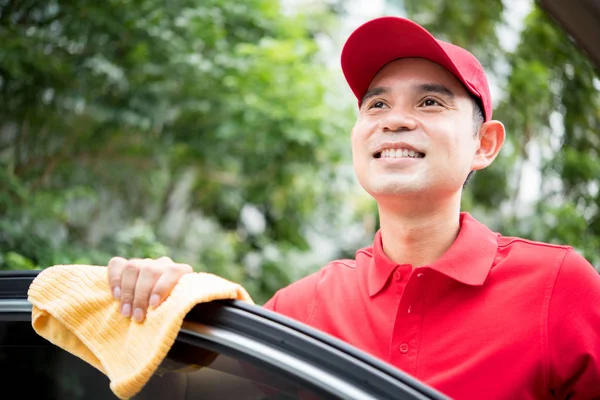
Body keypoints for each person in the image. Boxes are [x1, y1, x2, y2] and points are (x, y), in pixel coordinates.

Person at [105, 17, 600, 399]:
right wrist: (158, 304)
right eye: (376, 105)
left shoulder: (559, 288)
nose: (395, 121)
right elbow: (183, 386)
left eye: (429, 102)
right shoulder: (304, 305)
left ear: (484, 144)